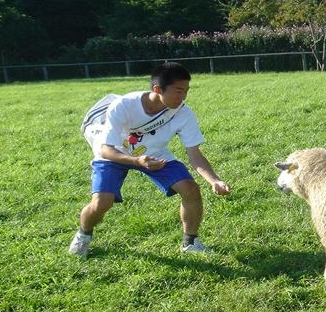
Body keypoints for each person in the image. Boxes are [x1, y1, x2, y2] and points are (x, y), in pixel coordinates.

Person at [69, 62, 230, 257]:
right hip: (115, 152)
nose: (183, 97)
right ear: (157, 89)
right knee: (102, 203)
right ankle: (83, 234)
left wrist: (214, 180)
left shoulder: (183, 114)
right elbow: (106, 150)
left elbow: (194, 153)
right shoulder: (124, 105)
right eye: (178, 91)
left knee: (190, 189)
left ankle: (190, 243)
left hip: (154, 154)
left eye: (186, 91)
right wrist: (136, 161)